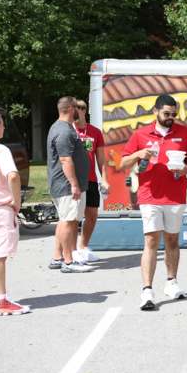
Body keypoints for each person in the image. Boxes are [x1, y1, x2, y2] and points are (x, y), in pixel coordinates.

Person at [119, 94, 187, 311]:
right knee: (151, 240)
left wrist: (184, 169)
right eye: (166, 114)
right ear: (155, 111)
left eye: (174, 114)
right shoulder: (141, 134)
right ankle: (147, 290)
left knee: (172, 240)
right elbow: (122, 161)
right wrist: (139, 153)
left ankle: (172, 282)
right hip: (150, 196)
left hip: (175, 195)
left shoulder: (184, 133)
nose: (171, 117)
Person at [0, 110, 30, 315]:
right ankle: (1, 301)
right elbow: (13, 176)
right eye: (1, 124)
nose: (4, 127)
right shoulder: (0, 150)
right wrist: (16, 201)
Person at [47, 96, 92, 273]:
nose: (80, 111)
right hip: (67, 186)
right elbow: (65, 160)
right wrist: (74, 184)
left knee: (65, 220)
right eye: (77, 108)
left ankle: (57, 258)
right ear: (71, 109)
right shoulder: (64, 131)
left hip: (66, 185)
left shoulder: (61, 127)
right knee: (68, 221)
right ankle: (68, 261)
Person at [72, 99, 107, 262]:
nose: (79, 110)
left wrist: (104, 179)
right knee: (71, 218)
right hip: (74, 180)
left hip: (91, 179)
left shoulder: (95, 132)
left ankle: (83, 247)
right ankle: (68, 253)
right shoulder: (68, 131)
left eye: (82, 107)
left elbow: (101, 159)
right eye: (76, 107)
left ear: (86, 110)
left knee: (92, 214)